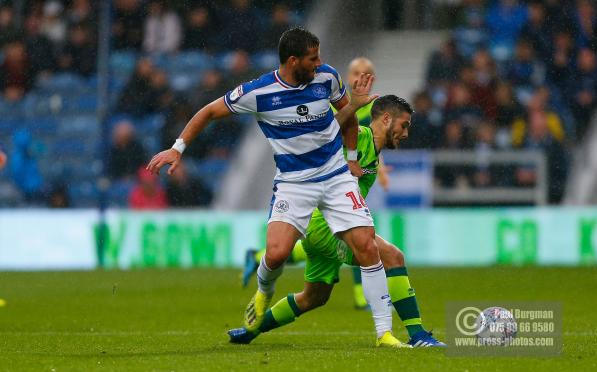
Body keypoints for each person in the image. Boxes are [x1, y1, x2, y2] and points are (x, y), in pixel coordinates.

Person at [147, 28, 403, 347]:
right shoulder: (258, 92)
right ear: (293, 60)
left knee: (366, 245)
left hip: (335, 175)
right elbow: (209, 111)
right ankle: (263, 294)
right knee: (277, 253)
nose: (320, 63)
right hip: (294, 183)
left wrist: (351, 158)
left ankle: (384, 333)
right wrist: (178, 148)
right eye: (313, 58)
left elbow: (348, 118)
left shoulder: (327, 78)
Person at [229, 94, 445, 347]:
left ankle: (252, 329)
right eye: (404, 125)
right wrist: (350, 104)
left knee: (314, 297)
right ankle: (417, 335)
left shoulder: (374, 153)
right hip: (325, 225)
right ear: (386, 119)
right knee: (392, 257)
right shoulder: (360, 136)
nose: (405, 133)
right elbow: (327, 130)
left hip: (324, 227)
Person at [241, 57, 391, 311]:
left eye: (365, 73)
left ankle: (258, 257)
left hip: (351, 178)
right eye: (355, 71)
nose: (359, 76)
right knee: (352, 236)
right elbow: (331, 133)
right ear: (348, 73)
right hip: (325, 177)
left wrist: (380, 168)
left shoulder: (370, 107)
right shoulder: (335, 104)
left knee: (351, 236)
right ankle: (358, 296)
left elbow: (372, 144)